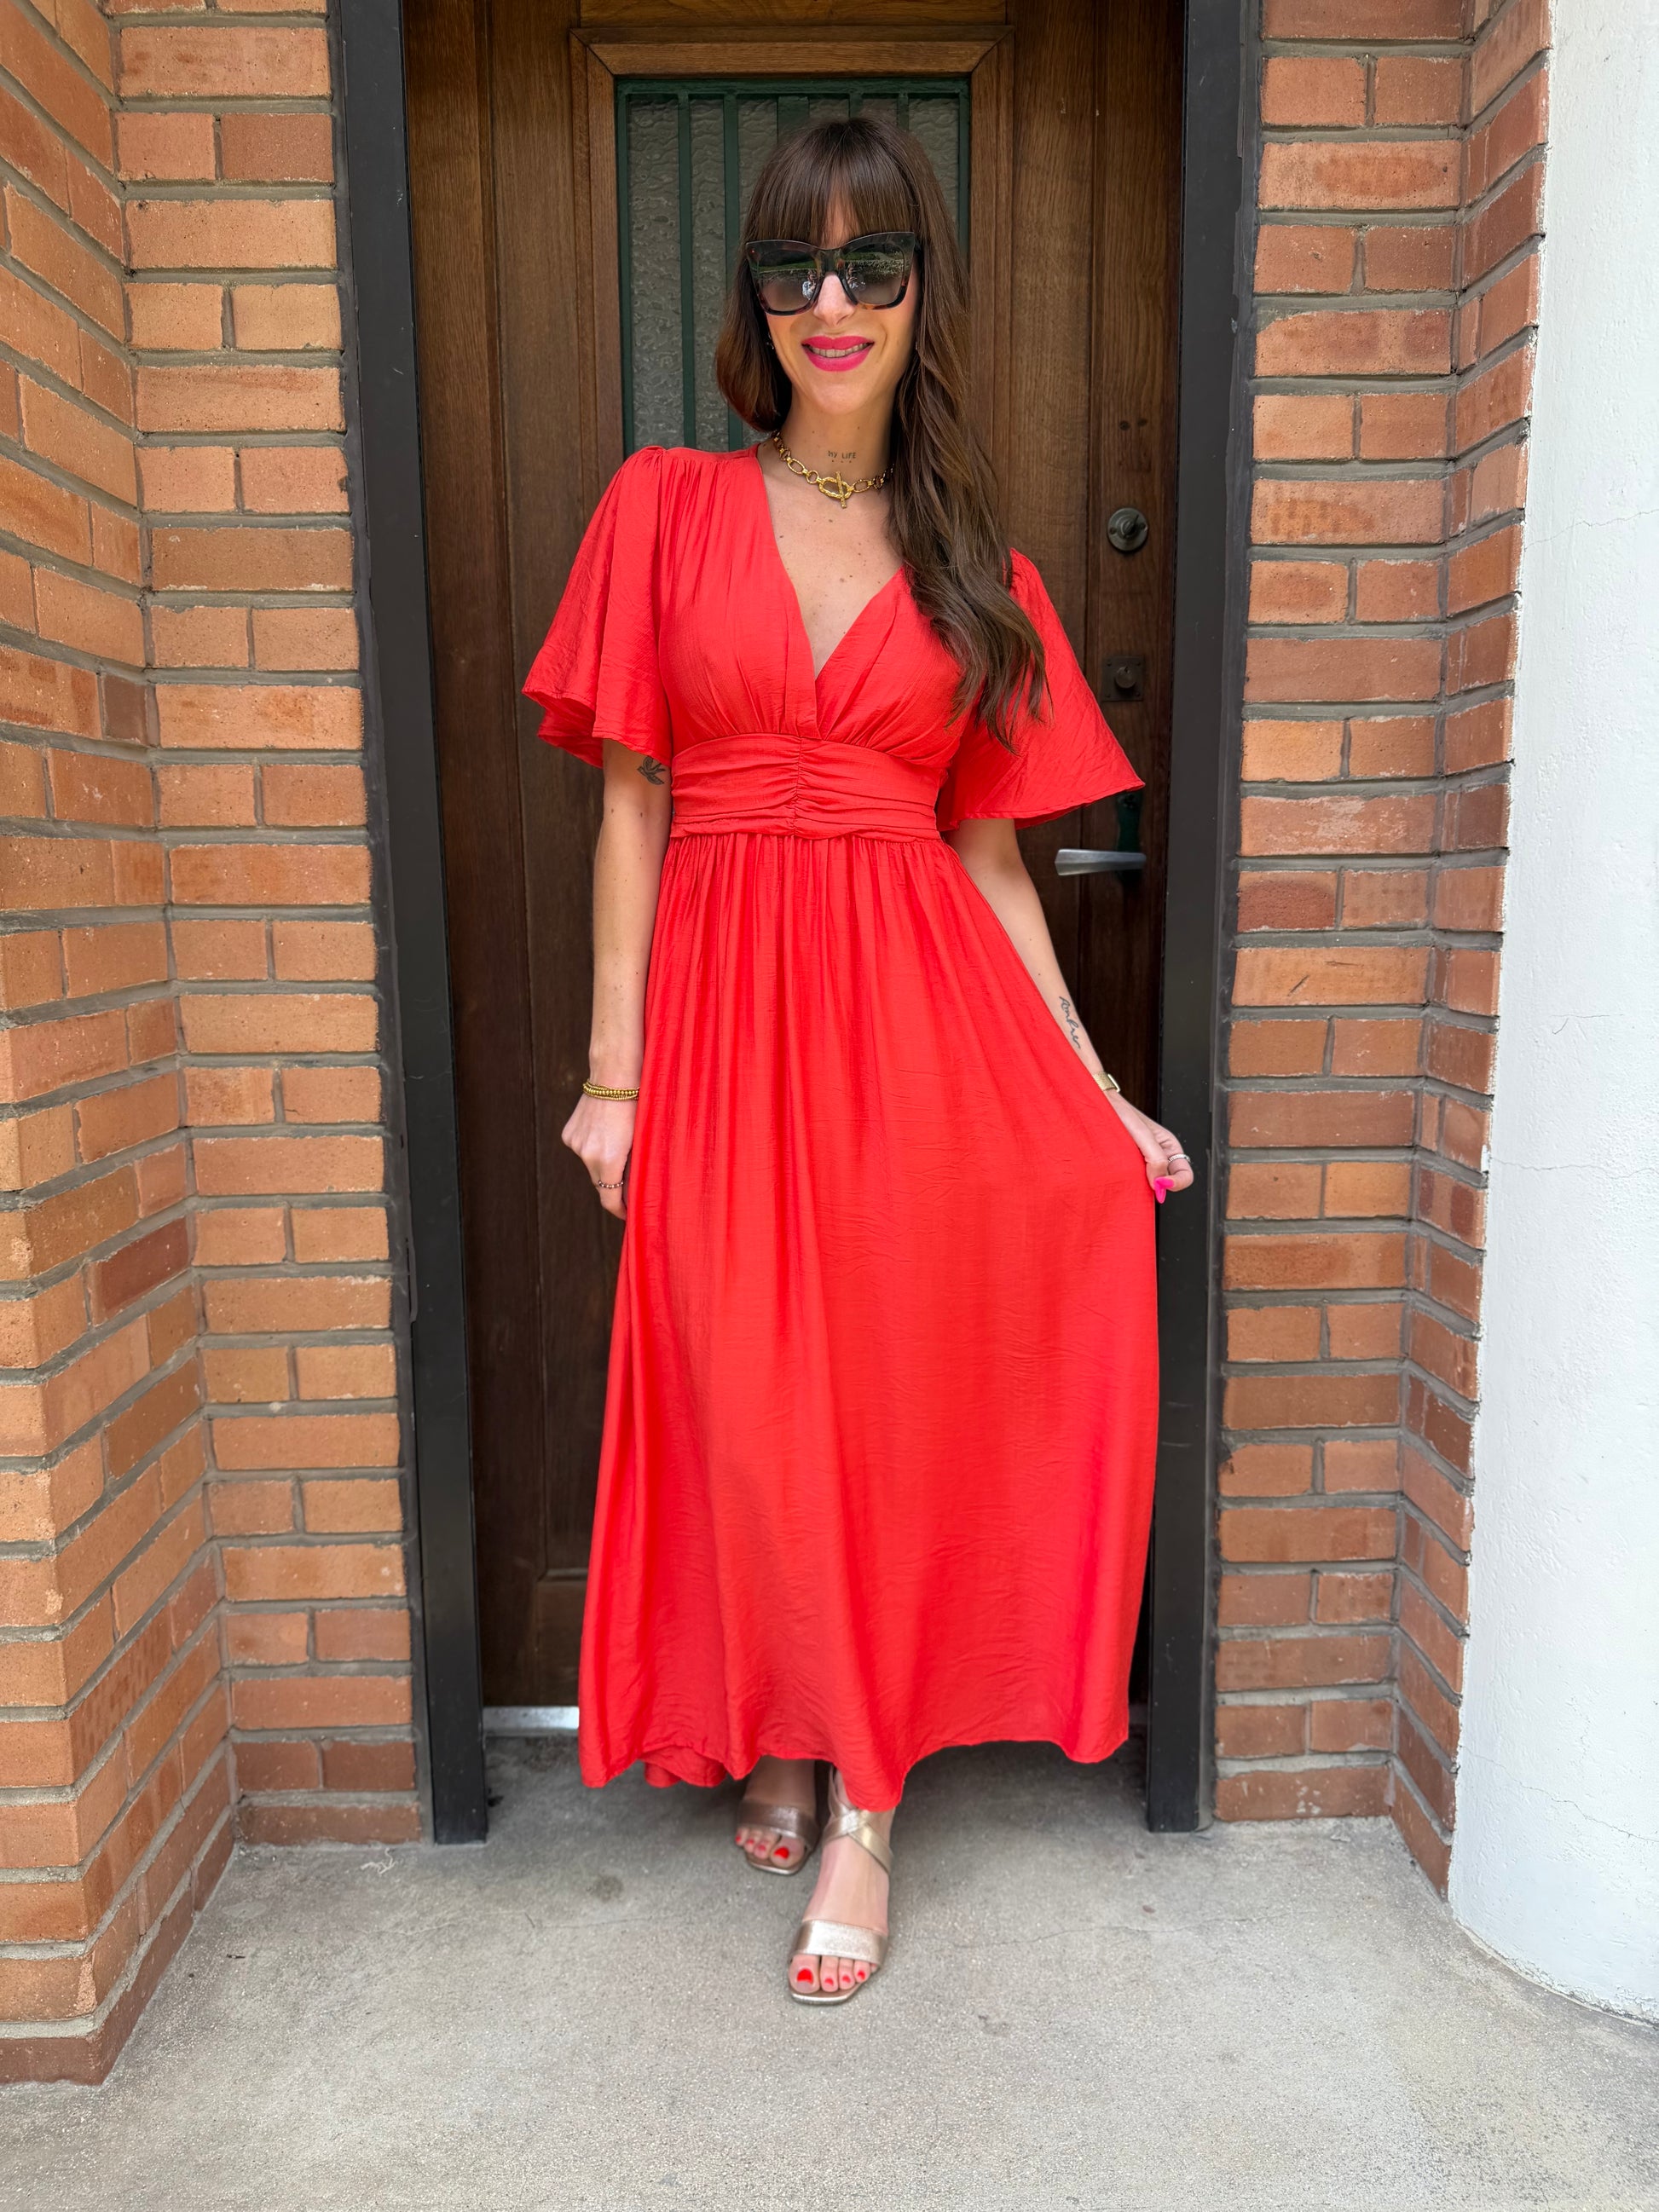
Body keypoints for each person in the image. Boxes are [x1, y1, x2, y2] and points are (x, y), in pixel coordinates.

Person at [523, 114, 1192, 2007]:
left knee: (887, 1398)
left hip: (916, 1029)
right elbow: (631, 804)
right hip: (724, 1023)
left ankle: (866, 1806)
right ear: (755, 298)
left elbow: (990, 859)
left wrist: (1089, 1088)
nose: (832, 301)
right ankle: (786, 1709)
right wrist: (613, 1076)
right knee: (745, 1384)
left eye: (871, 264)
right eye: (793, 266)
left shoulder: (983, 568)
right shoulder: (662, 505)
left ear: (917, 294)